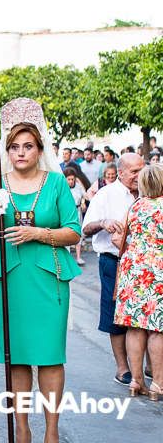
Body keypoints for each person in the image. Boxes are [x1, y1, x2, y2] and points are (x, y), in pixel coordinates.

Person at [0, 98, 82, 443]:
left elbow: (74, 230)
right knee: (15, 358)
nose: (21, 152)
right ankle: (22, 429)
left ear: (39, 149)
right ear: (7, 151)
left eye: (28, 146)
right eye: (15, 147)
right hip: (9, 279)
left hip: (49, 280)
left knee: (50, 357)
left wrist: (37, 233)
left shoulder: (56, 183)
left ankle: (51, 432)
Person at [82, 152, 145, 385]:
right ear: (121, 172)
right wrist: (103, 223)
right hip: (114, 261)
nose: (139, 176)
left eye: (142, 170)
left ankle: (147, 368)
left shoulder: (149, 192)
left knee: (143, 316)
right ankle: (122, 368)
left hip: (143, 263)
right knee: (115, 316)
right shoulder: (106, 194)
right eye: (134, 172)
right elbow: (85, 228)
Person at [110, 163, 163, 400]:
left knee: (134, 327)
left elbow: (120, 236)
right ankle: (157, 385)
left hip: (133, 270)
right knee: (157, 329)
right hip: (158, 270)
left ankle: (135, 380)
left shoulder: (136, 206)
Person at [63, 167, 87, 265]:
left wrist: (83, 202)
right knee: (66, 233)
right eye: (68, 179)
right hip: (66, 213)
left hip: (77, 212)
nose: (71, 181)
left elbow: (84, 195)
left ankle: (78, 257)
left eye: (72, 179)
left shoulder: (78, 186)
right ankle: (66, 257)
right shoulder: (62, 187)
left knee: (78, 233)